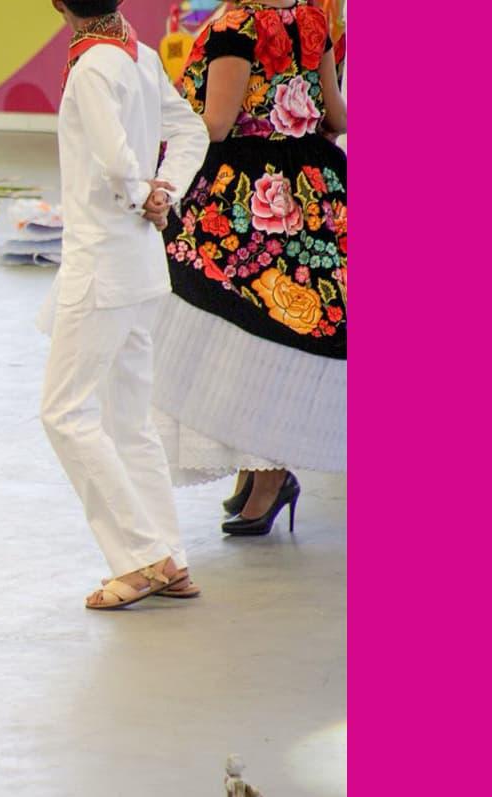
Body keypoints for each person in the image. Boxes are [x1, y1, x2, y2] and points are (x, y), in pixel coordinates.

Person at [38, 0, 210, 609]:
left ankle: (143, 559)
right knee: (129, 424)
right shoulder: (134, 54)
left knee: (64, 413)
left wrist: (144, 192)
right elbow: (192, 130)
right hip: (139, 266)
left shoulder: (92, 66)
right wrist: (166, 189)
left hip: (103, 267)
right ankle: (171, 557)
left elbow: (114, 162)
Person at [156, 0, 346, 534]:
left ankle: (267, 476)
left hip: (248, 197)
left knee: (239, 337)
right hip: (316, 191)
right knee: (279, 338)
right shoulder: (313, 20)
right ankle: (261, 472)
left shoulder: (236, 26)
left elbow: (215, 125)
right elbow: (338, 117)